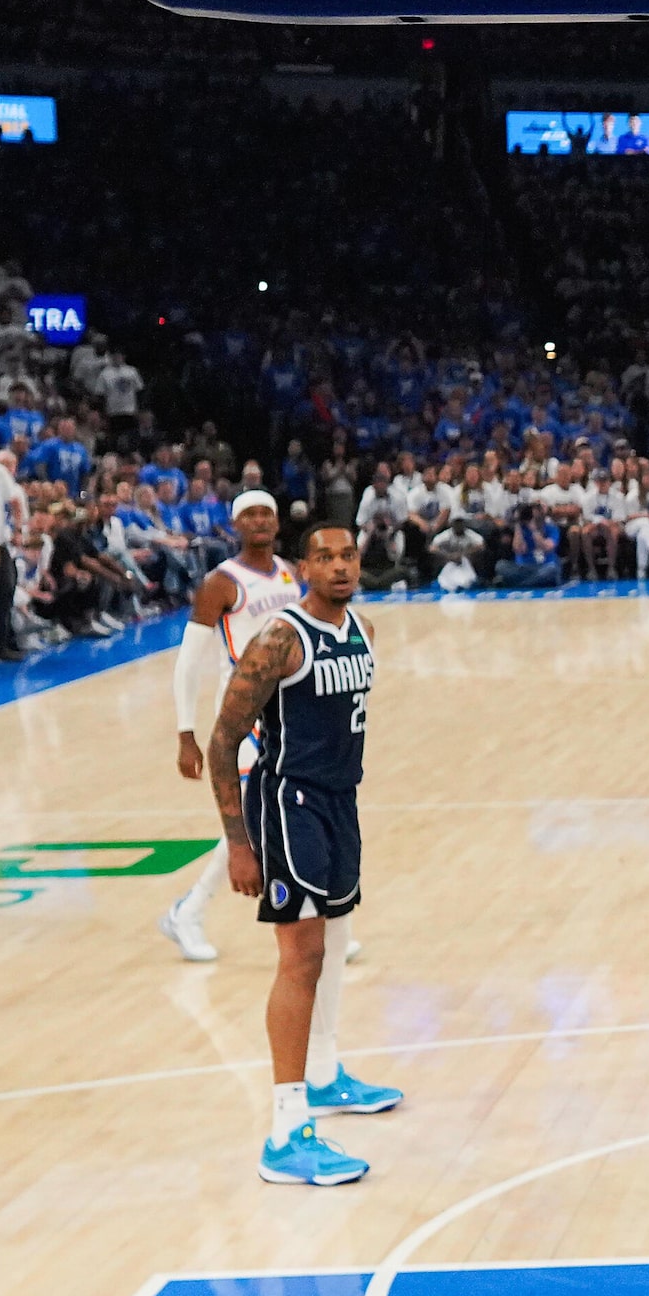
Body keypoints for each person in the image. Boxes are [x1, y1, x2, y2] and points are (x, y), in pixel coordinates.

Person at [205, 521, 401, 1186]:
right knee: (302, 956)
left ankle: (322, 1073)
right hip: (290, 805)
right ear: (304, 569)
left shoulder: (364, 633)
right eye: (325, 557)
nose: (340, 567)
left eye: (348, 556)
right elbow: (223, 741)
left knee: (337, 939)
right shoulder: (280, 639)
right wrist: (238, 843)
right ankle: (285, 1133)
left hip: (340, 802)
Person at [161, 491, 306, 964]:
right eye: (250, 514)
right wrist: (186, 732)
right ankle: (188, 911)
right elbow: (188, 661)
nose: (260, 520)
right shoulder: (221, 583)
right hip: (243, 718)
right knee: (250, 824)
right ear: (235, 524)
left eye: (267, 512)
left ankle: (305, 915)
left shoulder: (289, 571)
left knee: (289, 818)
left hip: (288, 714)